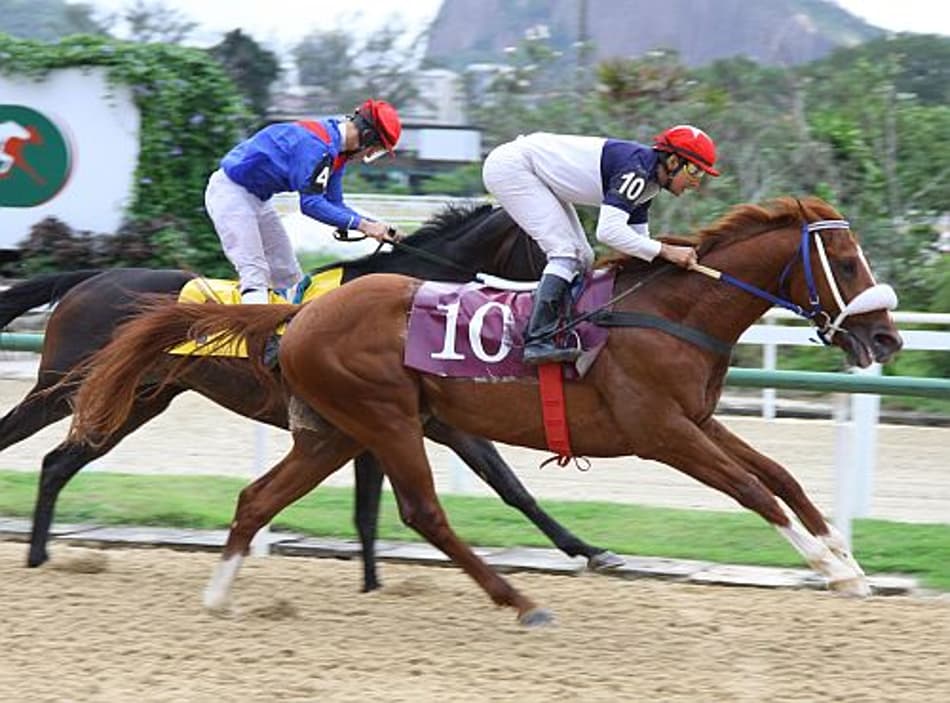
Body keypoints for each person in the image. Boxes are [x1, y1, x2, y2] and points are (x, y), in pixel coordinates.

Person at [482, 124, 720, 365]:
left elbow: (637, 242)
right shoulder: (637, 171)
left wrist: (667, 260)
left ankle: (561, 328)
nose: (696, 182)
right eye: (695, 170)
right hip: (514, 169)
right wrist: (667, 250)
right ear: (672, 161)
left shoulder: (649, 184)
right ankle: (537, 340)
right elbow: (608, 233)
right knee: (566, 254)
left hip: (530, 170)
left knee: (583, 256)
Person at [204, 99, 403, 304]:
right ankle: (252, 323)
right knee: (255, 273)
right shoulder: (316, 147)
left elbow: (335, 203)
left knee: (289, 275)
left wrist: (376, 226)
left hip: (259, 199)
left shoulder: (336, 151)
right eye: (375, 150)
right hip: (231, 193)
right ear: (367, 136)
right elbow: (311, 205)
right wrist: (364, 226)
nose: (368, 156)